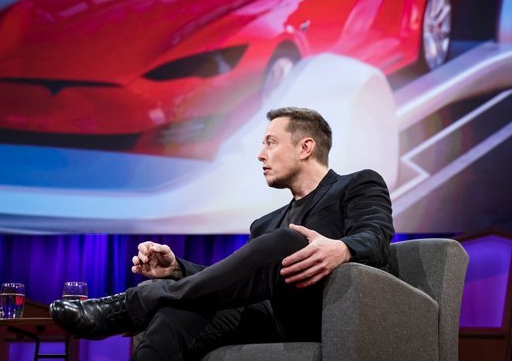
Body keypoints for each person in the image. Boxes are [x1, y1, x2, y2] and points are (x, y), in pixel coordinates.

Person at [50, 107, 394, 359]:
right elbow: (240, 283)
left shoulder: (357, 184)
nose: (260, 154)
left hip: (326, 313)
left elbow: (377, 237)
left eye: (271, 143)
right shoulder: (265, 224)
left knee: (289, 240)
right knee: (179, 311)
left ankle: (131, 303)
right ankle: (152, 297)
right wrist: (177, 269)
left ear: (305, 148)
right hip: (268, 320)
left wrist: (342, 249)